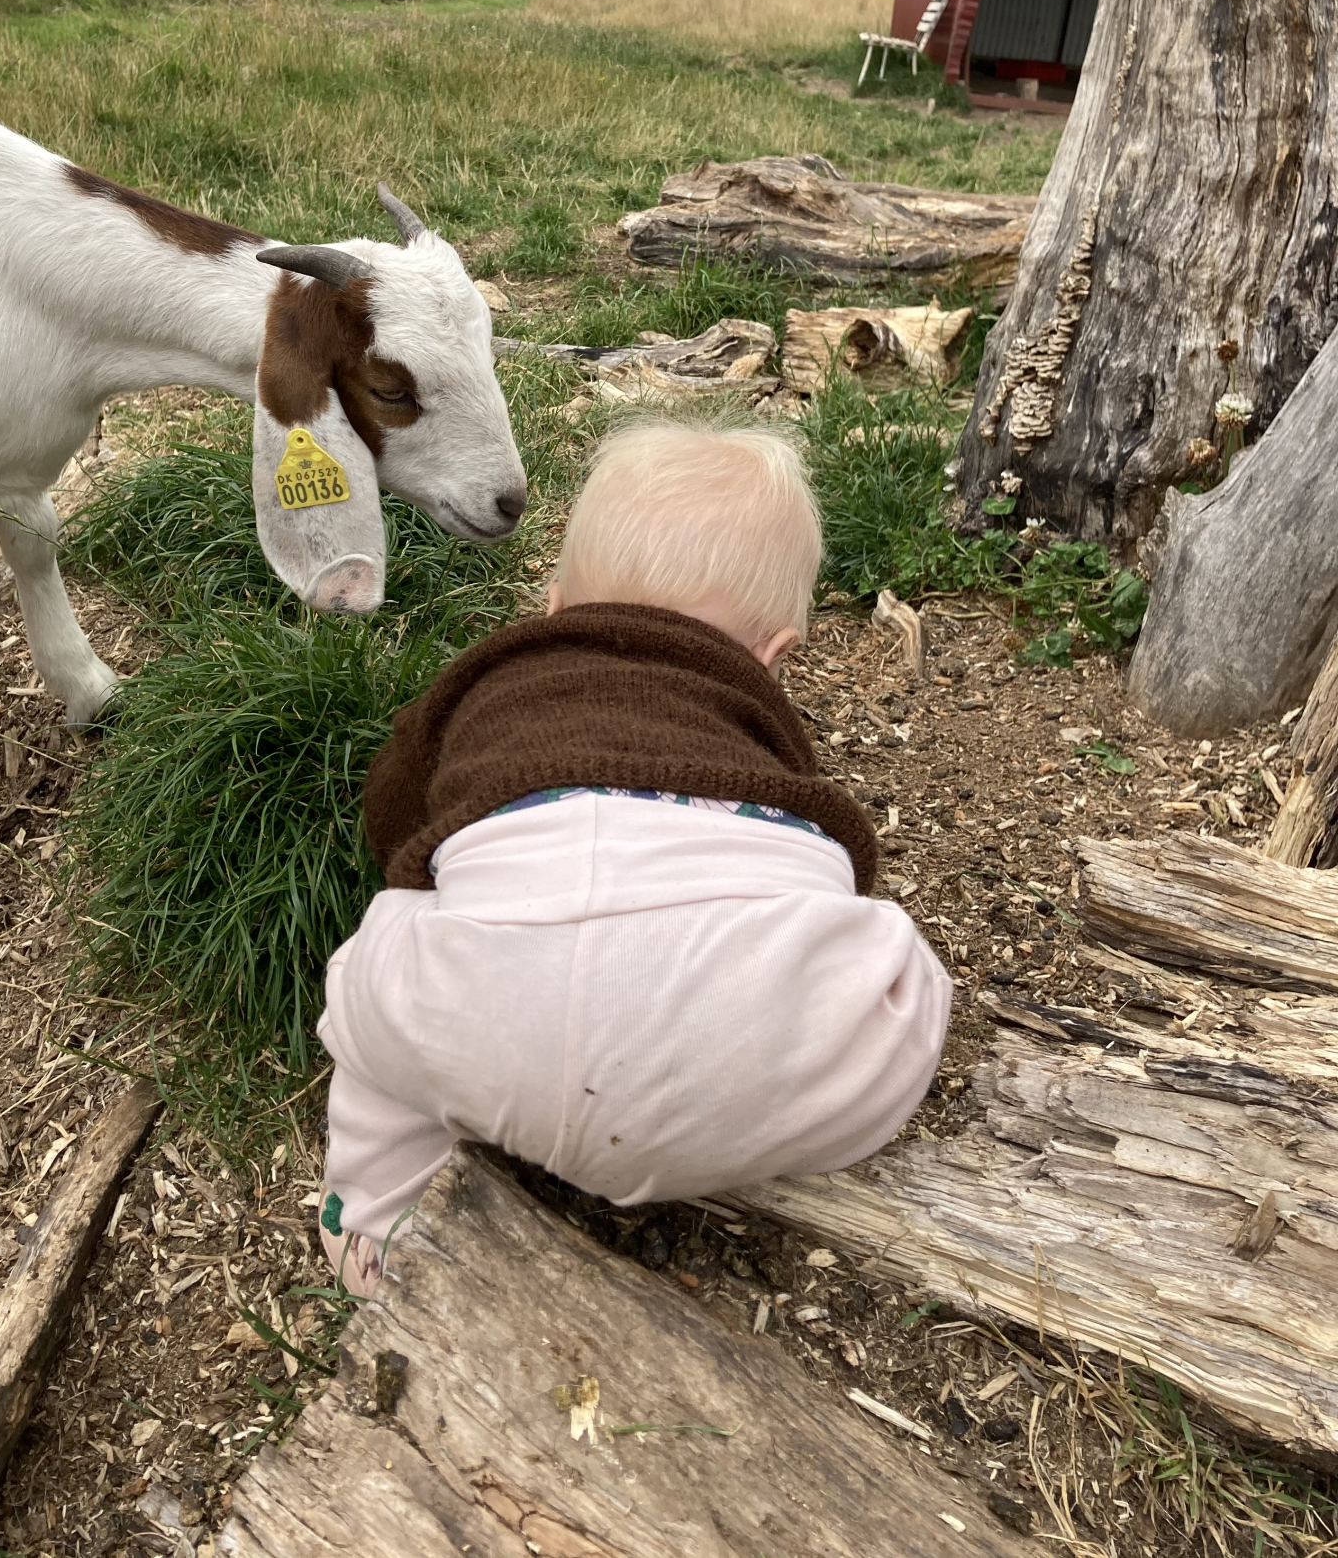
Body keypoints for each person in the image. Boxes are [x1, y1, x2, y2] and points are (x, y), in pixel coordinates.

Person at [316, 418, 951, 1293]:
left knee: (372, 973)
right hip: (742, 1053)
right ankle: (747, 1111)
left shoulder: (488, 676)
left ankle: (375, 1231)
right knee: (905, 980)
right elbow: (829, 853)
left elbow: (392, 813)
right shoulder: (756, 720)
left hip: (492, 1023)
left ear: (553, 607)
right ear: (776, 656)